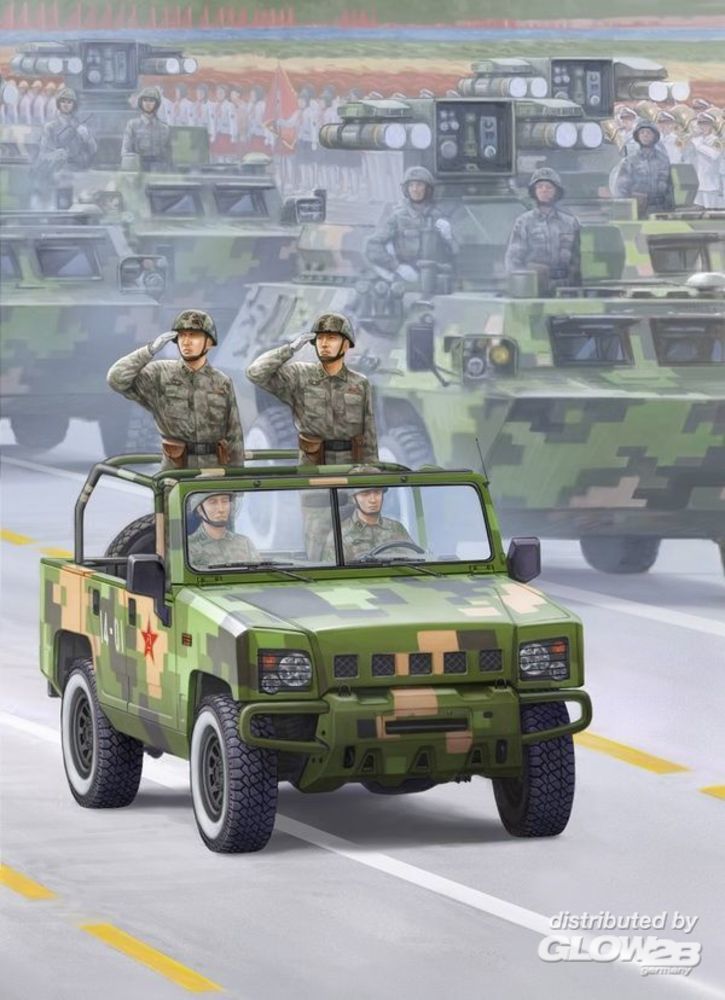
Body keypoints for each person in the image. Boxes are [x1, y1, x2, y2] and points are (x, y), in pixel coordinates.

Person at [106, 309, 245, 470]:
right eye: (182, 335)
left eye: (194, 335)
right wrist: (149, 350)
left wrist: (237, 477)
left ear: (209, 342)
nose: (186, 342)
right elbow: (116, 379)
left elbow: (234, 434)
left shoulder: (222, 382)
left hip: (214, 470)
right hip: (175, 469)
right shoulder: (160, 374)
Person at [246, 312, 378, 467]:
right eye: (320, 339)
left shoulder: (360, 383)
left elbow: (368, 434)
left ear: (346, 345)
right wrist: (290, 349)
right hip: (313, 466)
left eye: (332, 338)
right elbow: (255, 372)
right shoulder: (300, 374)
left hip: (349, 467)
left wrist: (371, 470)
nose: (324, 344)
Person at [365, 165, 458, 284]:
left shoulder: (438, 216)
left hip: (435, 278)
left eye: (419, 185)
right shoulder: (397, 217)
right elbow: (372, 246)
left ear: (427, 189)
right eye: (411, 185)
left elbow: (456, 254)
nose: (415, 189)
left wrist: (449, 238)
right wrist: (397, 267)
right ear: (406, 189)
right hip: (404, 279)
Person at [504, 167, 581, 290]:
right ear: (534, 191)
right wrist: (521, 286)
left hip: (565, 289)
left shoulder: (570, 223)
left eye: (549, 187)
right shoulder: (523, 222)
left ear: (557, 192)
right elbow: (513, 260)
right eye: (540, 187)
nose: (544, 190)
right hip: (532, 288)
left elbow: (577, 261)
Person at [321, 468, 414, 562]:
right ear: (353, 498)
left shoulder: (396, 528)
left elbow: (414, 558)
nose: (373, 500)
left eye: (377, 493)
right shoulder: (340, 535)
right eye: (365, 494)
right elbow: (332, 568)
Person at [613, 119, 674, 215]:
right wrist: (624, 210)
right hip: (637, 209)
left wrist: (670, 209)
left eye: (649, 132)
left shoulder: (663, 160)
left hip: (659, 209)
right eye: (642, 132)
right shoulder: (630, 161)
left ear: (655, 136)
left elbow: (670, 187)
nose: (645, 135)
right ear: (637, 136)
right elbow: (621, 188)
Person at [187, 492, 259, 569]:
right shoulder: (188, 546)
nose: (221, 509)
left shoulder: (244, 543)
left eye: (225, 501)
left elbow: (258, 572)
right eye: (213, 502)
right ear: (200, 509)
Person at [36, 86, 96, 172]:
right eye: (63, 101)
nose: (66, 105)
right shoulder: (50, 127)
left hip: (78, 170)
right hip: (57, 171)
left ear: (74, 105)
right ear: (58, 104)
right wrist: (56, 154)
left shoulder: (80, 127)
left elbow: (93, 150)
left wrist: (87, 138)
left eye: (69, 102)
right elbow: (43, 155)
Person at [121, 86, 172, 172]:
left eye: (151, 100)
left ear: (156, 104)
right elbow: (126, 151)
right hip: (137, 169)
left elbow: (169, 156)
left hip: (159, 171)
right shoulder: (132, 125)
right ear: (141, 102)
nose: (148, 103)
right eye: (145, 100)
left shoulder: (164, 129)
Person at [684, 112, 723, 209]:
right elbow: (686, 157)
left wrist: (697, 144)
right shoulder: (696, 139)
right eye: (700, 123)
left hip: (711, 183)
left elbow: (714, 155)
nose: (702, 126)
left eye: (706, 123)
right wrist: (688, 143)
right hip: (698, 182)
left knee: (711, 210)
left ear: (711, 125)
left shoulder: (716, 140)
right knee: (698, 210)